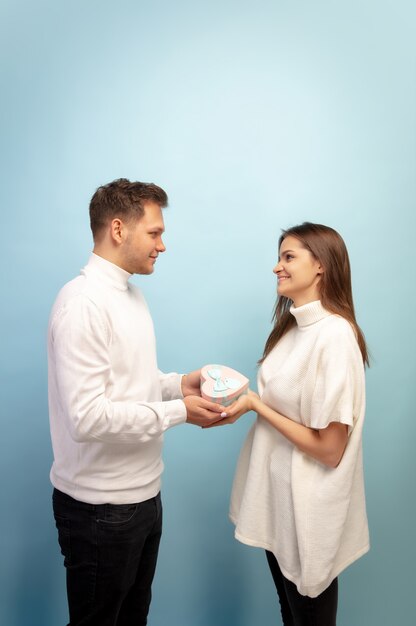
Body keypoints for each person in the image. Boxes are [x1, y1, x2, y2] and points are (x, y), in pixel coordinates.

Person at [48, 178, 227, 626]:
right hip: (99, 511)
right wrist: (180, 412)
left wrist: (178, 384)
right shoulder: (82, 303)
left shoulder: (130, 294)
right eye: (155, 233)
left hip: (144, 497)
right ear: (118, 229)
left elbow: (130, 382)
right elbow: (87, 417)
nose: (162, 245)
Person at [215, 222, 370, 625]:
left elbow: (330, 450)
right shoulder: (292, 328)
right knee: (291, 615)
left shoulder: (334, 336)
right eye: (279, 257)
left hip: (308, 515)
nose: (276, 268)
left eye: (288, 257)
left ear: (321, 266)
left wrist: (254, 405)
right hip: (280, 506)